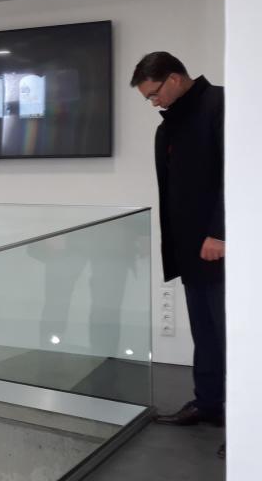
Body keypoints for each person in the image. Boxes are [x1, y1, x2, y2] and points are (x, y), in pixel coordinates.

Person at [131, 52, 225, 433]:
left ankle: (246, 426)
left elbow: (237, 173)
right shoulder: (169, 126)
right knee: (205, 333)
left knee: (231, 335)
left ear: (173, 78)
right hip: (190, 250)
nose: (155, 103)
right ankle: (209, 403)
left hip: (220, 247)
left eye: (154, 94)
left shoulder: (220, 104)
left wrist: (221, 232)